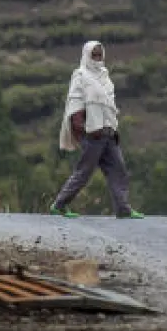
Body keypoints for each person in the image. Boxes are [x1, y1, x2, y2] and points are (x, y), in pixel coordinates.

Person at [50, 41, 144, 219]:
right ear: (87, 55)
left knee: (119, 169)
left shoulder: (105, 76)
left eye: (99, 55)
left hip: (108, 133)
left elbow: (109, 105)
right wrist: (83, 130)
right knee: (84, 172)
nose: (97, 58)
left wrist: (113, 128)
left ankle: (123, 208)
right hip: (93, 136)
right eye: (94, 55)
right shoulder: (80, 75)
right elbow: (75, 105)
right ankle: (59, 205)